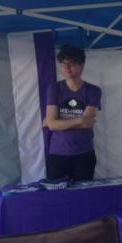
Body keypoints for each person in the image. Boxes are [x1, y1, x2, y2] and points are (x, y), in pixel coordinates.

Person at [44, 44, 101, 181]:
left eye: (72, 63)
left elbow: (88, 124)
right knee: (57, 197)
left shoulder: (93, 91)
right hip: (58, 153)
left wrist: (58, 123)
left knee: (83, 197)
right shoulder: (55, 88)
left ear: (82, 65)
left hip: (84, 153)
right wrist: (79, 120)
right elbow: (52, 125)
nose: (67, 68)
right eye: (64, 64)